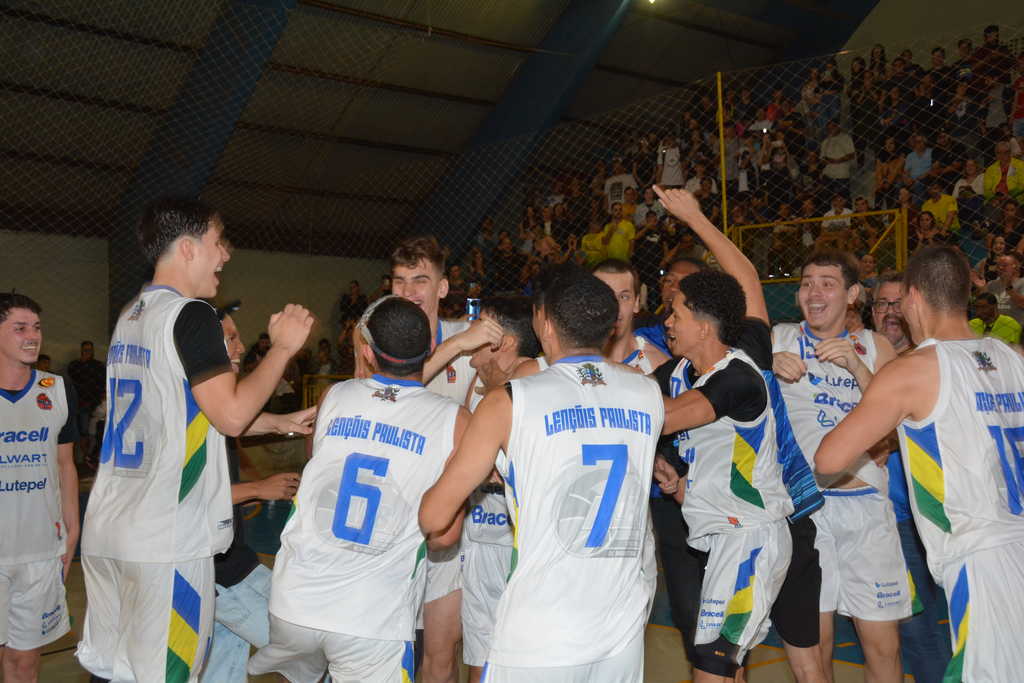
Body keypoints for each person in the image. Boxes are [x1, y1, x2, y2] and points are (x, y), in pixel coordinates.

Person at [76, 198, 314, 682]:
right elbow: (230, 415)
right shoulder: (192, 314)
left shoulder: (132, 314)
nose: (225, 254)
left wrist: (277, 423)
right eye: (217, 242)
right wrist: (283, 349)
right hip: (167, 541)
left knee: (118, 672)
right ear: (188, 248)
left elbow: (186, 411)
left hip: (108, 531)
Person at [420, 270, 664, 683]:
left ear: (546, 325)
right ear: (611, 327)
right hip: (620, 631)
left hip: (540, 629)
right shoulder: (647, 392)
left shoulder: (508, 401)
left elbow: (433, 517)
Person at [816, 245, 1024, 681]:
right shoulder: (1012, 357)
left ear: (912, 297)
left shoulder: (913, 370)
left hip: (981, 559)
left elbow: (829, 458)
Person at [654, 188, 826, 683]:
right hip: (732, 533)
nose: (667, 321)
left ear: (705, 326)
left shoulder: (739, 372)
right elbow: (745, 277)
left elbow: (666, 418)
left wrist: (695, 218)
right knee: (723, 668)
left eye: (676, 313)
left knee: (724, 669)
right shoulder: (695, 365)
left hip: (760, 529)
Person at [248, 296, 467, 683]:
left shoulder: (334, 397)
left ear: (367, 352)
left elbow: (320, 462)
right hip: (370, 616)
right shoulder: (454, 420)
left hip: (294, 601)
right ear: (432, 346)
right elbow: (444, 537)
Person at [773, 248, 910, 682]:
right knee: (817, 645)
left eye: (827, 284)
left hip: (866, 508)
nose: (814, 293)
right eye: (806, 283)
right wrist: (765, 369)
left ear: (852, 294)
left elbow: (897, 423)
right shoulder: (777, 339)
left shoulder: (874, 345)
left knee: (883, 647)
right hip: (806, 510)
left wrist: (855, 366)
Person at [389, 236, 501, 683]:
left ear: (442, 287)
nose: (408, 290)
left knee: (439, 653)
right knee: (384, 647)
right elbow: (390, 394)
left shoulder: (471, 338)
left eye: (420, 280)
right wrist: (455, 349)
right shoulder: (376, 335)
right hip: (393, 511)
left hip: (448, 515)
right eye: (399, 280)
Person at [200, 308, 318, 683]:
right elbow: (186, 498)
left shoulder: (201, 401)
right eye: (231, 339)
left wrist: (282, 422)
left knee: (221, 672)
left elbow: (229, 420)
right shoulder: (186, 405)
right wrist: (257, 489)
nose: (240, 347)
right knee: (311, 658)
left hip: (232, 559)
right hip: (213, 570)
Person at [869, 277, 954, 682]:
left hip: (933, 516)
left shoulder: (934, 364)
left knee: (926, 629)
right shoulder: (857, 360)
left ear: (913, 307)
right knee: (908, 632)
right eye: (881, 304)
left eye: (896, 303)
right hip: (887, 519)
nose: (889, 312)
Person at [460, 297, 539, 683]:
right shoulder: (481, 384)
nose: (469, 334)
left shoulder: (533, 378)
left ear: (504, 341)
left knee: (523, 655)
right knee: (481, 651)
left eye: (480, 328)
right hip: (480, 529)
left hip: (523, 539)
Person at [0, 293, 78, 683]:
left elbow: (65, 464)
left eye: (36, 328)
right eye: (20, 328)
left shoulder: (57, 389)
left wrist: (72, 529)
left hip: (40, 552)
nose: (32, 336)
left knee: (25, 663)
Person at [592, 259, 670, 374]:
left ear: (636, 303)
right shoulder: (570, 360)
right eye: (604, 296)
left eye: (623, 297)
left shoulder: (657, 366)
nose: (615, 307)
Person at [67, 340, 105, 461]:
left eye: (89, 350)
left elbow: (103, 381)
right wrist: (83, 363)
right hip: (80, 402)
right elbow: (72, 375)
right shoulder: (75, 364)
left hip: (96, 403)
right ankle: (84, 456)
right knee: (82, 430)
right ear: (81, 350)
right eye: (85, 350)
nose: (87, 352)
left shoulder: (99, 365)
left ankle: (92, 456)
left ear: (93, 351)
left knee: (95, 431)